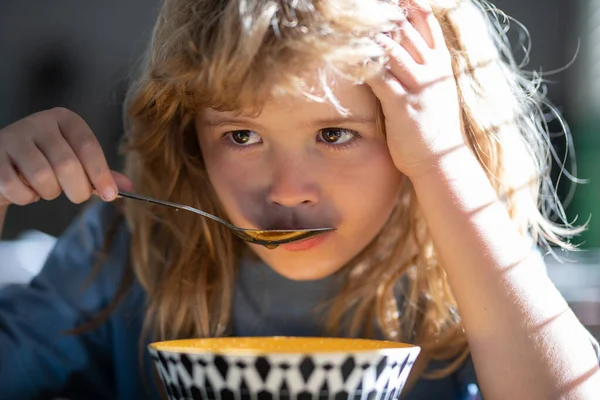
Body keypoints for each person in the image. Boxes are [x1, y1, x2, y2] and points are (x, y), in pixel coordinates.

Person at [0, 0, 599, 398]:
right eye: (241, 135)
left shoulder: (463, 267)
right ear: (188, 136)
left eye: (335, 134)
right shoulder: (124, 248)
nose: (286, 191)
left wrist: (443, 164)